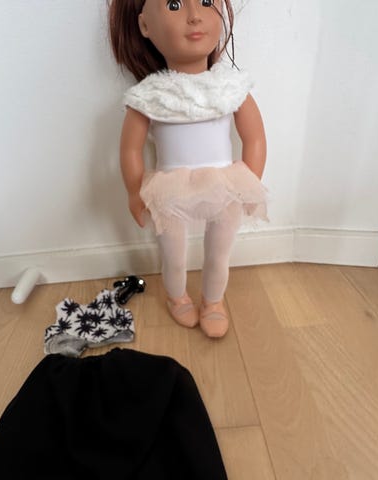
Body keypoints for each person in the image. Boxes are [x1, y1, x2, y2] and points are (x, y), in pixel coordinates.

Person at [108, 0, 267, 338]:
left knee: (219, 252)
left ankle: (213, 301)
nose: (195, 15)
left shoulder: (230, 87)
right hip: (171, 187)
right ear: (145, 26)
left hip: (225, 184)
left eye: (206, 2)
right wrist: (134, 191)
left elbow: (254, 137)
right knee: (173, 253)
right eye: (174, 5)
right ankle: (176, 295)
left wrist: (251, 183)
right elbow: (130, 149)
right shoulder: (150, 96)